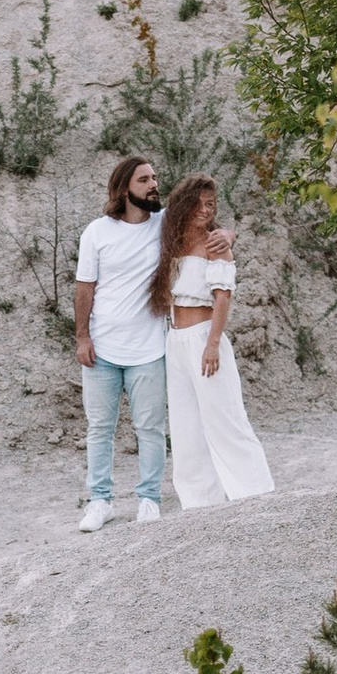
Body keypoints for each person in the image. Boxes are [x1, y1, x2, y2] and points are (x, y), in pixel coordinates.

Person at [152, 176, 276, 506]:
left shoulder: (216, 246)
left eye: (211, 205)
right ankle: (200, 502)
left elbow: (223, 298)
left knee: (225, 419)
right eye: (199, 203)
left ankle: (256, 493)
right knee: (185, 425)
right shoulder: (171, 239)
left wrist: (212, 343)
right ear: (184, 203)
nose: (205, 211)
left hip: (205, 337)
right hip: (175, 340)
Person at [73, 154, 169, 531]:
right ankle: (100, 502)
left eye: (154, 178)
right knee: (99, 427)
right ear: (124, 187)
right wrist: (82, 337)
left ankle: (149, 499)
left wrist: (228, 235)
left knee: (150, 427)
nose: (153, 185)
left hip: (149, 348)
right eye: (144, 180)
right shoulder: (97, 232)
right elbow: (85, 288)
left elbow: (208, 221)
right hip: (103, 349)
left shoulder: (164, 223)